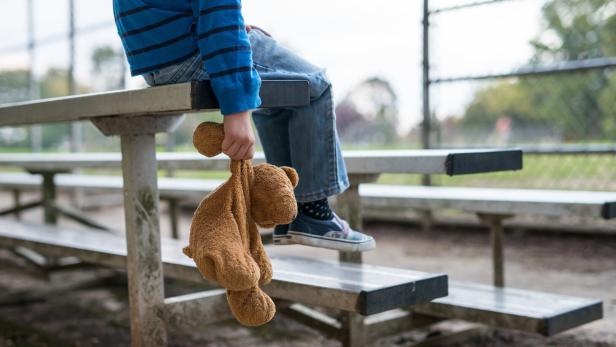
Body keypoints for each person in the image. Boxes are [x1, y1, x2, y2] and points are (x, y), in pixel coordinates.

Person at [113, 0, 375, 252]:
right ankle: (313, 212)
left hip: (154, 62)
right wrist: (237, 107)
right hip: (192, 53)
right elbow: (219, 12)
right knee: (315, 85)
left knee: (277, 95)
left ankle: (288, 210)